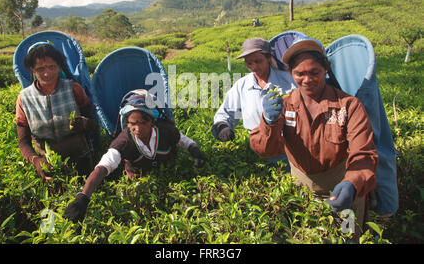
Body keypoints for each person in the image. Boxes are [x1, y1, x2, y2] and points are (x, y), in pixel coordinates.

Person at [249, 37, 378, 236]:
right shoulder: (285, 105)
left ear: (326, 70)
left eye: (314, 72)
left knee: (347, 236)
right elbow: (267, 151)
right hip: (301, 191)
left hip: (343, 190)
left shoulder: (348, 106)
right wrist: (269, 121)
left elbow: (364, 154)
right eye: (299, 74)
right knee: (307, 236)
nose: (307, 80)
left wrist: (352, 183)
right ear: (291, 73)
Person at [64, 90, 206, 223]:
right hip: (140, 184)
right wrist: (83, 197)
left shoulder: (165, 131)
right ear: (126, 123)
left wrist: (195, 151)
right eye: (133, 124)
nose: (137, 129)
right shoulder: (125, 140)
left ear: (152, 121)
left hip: (171, 177)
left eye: (143, 123)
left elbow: (184, 140)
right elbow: (103, 167)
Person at [15, 42, 97, 180]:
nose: (47, 73)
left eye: (52, 67)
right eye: (40, 69)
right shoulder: (24, 99)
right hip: (46, 164)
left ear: (59, 66)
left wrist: (84, 123)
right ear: (32, 70)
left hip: (80, 159)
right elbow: (23, 142)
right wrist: (35, 160)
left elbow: (93, 125)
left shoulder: (74, 89)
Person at [211, 37, 296, 166]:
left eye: (258, 61)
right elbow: (227, 112)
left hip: (288, 149)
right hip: (256, 148)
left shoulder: (288, 81)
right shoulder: (242, 85)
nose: (254, 67)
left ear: (268, 58)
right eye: (249, 63)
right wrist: (222, 126)